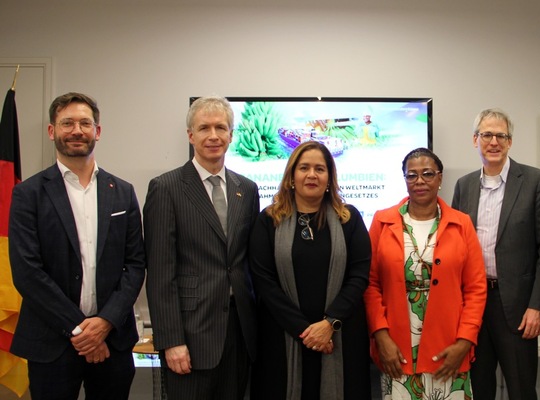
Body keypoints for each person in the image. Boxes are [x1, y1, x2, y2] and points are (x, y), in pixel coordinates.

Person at [8, 92, 146, 399]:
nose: (76, 130)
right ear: (52, 131)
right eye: (67, 123)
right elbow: (27, 272)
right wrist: (81, 330)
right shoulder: (28, 194)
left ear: (97, 131)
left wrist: (105, 323)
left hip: (113, 341)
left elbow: (135, 264)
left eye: (85, 123)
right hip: (52, 344)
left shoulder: (122, 192)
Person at [144, 95, 259, 400]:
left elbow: (245, 262)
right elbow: (159, 272)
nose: (213, 136)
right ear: (190, 135)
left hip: (239, 333)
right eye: (204, 128)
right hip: (190, 336)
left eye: (221, 128)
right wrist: (171, 341)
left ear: (231, 135)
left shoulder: (246, 190)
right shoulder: (165, 188)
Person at [248, 141, 371, 400]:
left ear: (329, 177)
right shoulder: (268, 219)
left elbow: (359, 275)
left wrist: (329, 323)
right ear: (292, 176)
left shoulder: (350, 218)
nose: (312, 175)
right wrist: (306, 331)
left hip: (340, 337)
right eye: (304, 168)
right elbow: (263, 281)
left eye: (320, 169)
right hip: (282, 339)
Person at [366, 147, 487, 399]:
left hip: (449, 347)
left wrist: (464, 342)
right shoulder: (382, 221)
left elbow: (476, 289)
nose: (419, 181)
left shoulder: (461, 223)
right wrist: (381, 336)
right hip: (396, 347)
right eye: (412, 175)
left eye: (428, 174)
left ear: (440, 178)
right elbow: (370, 284)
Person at [451, 108, 540, 400]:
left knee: (522, 389)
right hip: (474, 304)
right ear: (475, 140)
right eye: (486, 135)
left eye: (501, 135)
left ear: (510, 142)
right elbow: (457, 247)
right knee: (477, 386)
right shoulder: (465, 185)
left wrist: (538, 306)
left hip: (518, 307)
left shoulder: (536, 181)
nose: (493, 141)